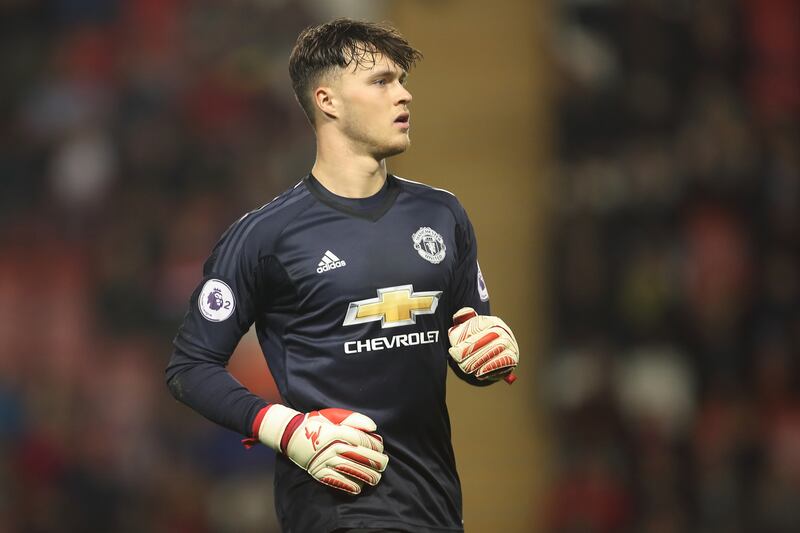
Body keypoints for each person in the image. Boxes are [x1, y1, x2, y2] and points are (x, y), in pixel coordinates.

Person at [166, 18, 519, 533]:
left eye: (401, 80)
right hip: (335, 509)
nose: (404, 94)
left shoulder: (442, 215)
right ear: (327, 100)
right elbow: (190, 367)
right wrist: (287, 430)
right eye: (381, 81)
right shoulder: (265, 237)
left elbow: (467, 340)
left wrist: (486, 350)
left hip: (435, 507)